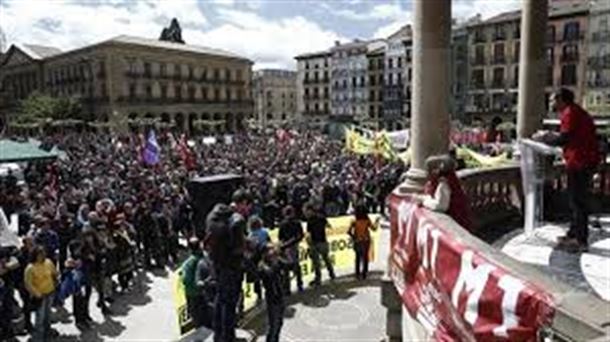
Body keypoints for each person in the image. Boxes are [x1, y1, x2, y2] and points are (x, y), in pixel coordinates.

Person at [548, 88, 600, 251]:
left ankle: (580, 240)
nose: (551, 103)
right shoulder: (576, 111)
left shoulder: (570, 113)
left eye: (553, 100)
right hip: (583, 160)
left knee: (578, 201)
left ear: (561, 100)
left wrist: (545, 138)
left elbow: (565, 138)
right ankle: (573, 233)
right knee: (575, 200)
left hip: (580, 162)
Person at [207, 203, 245, 342]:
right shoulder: (233, 224)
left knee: (219, 300)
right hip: (230, 267)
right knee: (229, 305)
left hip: (218, 265)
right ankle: (229, 337)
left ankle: (218, 335)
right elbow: (238, 248)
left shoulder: (211, 219)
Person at [415, 155, 473, 231]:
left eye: (429, 170)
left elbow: (441, 206)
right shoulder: (449, 180)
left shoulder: (444, 184)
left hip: (455, 224)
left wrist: (424, 201)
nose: (426, 173)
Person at [24, 246, 59, 341]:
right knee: (39, 318)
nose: (43, 255)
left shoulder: (48, 262)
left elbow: (54, 273)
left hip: (50, 293)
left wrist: (56, 280)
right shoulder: (30, 268)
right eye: (40, 254)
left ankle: (47, 333)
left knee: (48, 316)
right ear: (35, 255)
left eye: (43, 253)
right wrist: (37, 294)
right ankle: (38, 338)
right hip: (40, 297)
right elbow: (28, 284)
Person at [257, 244, 286, 342]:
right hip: (272, 298)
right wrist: (276, 260)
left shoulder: (276, 261)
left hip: (280, 296)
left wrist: (283, 253)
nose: (273, 251)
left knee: (279, 323)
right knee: (273, 325)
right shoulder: (262, 265)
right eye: (270, 250)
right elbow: (270, 274)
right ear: (265, 253)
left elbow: (290, 264)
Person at [303, 202, 335, 287]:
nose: (306, 213)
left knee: (317, 262)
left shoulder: (310, 221)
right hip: (323, 241)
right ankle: (331, 274)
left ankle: (318, 278)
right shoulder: (321, 217)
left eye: (307, 211)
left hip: (315, 243)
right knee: (326, 259)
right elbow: (329, 226)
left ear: (310, 210)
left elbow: (308, 233)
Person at [180, 237, 206, 328]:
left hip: (192, 293)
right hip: (204, 292)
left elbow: (185, 279)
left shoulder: (189, 262)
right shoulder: (204, 257)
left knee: (196, 317)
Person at [348, 204, 379, 280]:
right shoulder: (367, 220)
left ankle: (357, 274)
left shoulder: (354, 221)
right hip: (366, 241)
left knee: (358, 258)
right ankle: (364, 273)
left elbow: (348, 231)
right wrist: (377, 222)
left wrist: (354, 237)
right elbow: (374, 229)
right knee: (365, 258)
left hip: (358, 241)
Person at [278, 206, 304, 294]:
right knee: (296, 266)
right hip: (294, 246)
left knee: (286, 268)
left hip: (285, 247)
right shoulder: (297, 223)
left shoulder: (282, 224)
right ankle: (299, 284)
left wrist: (283, 245)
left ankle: (287, 288)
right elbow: (300, 235)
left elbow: (280, 237)